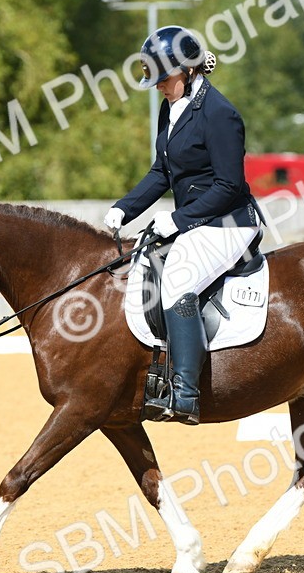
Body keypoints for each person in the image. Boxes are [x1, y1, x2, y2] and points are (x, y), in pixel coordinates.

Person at [104, 25, 261, 424]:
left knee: (177, 278)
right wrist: (125, 209)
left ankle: (185, 393)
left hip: (229, 224)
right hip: (197, 223)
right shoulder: (170, 108)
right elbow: (162, 171)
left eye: (164, 78)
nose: (158, 86)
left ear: (189, 71)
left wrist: (176, 219)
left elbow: (229, 185)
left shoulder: (220, 114)